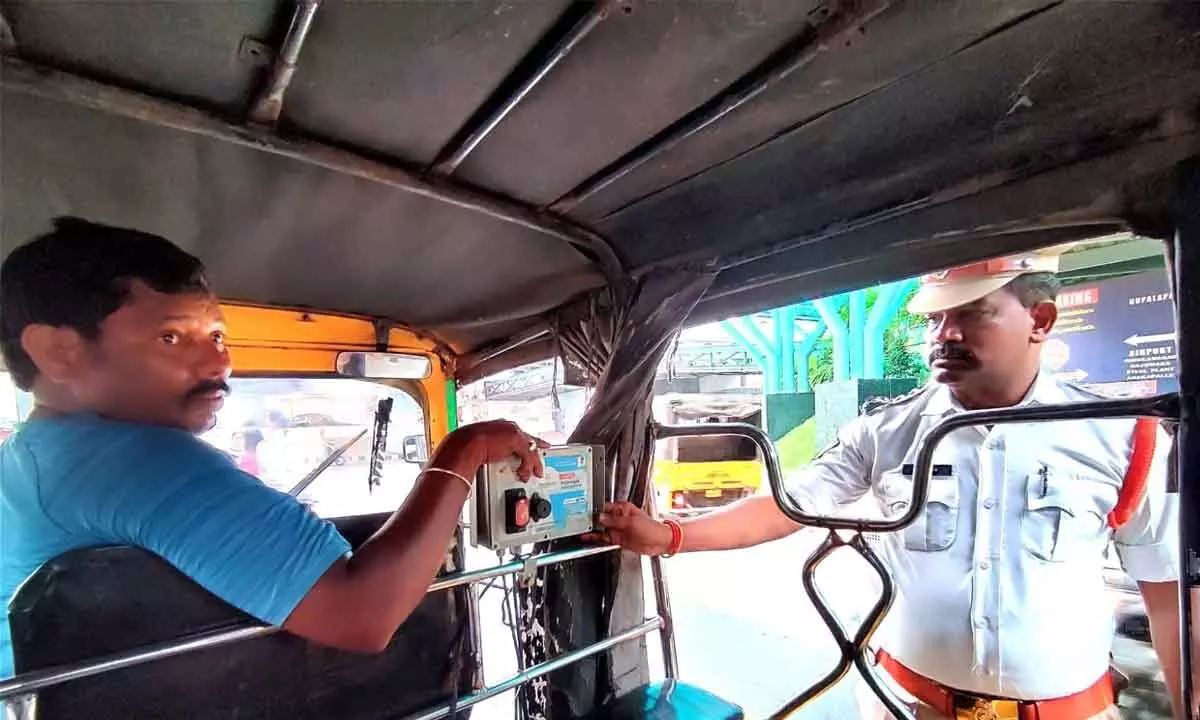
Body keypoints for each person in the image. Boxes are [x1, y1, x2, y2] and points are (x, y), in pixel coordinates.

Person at [597, 252, 1187, 720]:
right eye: (936, 319)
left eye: (973, 313)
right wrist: (670, 536)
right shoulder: (887, 431)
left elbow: (1170, 596)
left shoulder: (1123, 438)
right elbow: (792, 503)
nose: (945, 334)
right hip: (907, 706)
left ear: (1040, 320)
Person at [0, 217, 547, 678]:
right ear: (59, 352)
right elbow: (362, 615)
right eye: (171, 337)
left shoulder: (31, 464)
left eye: (217, 336)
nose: (218, 365)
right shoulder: (136, 461)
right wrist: (463, 450)